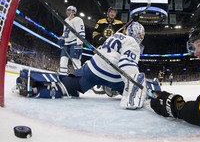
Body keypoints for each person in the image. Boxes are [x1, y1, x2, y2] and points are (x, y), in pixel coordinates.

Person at [15, 22, 161, 109]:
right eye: (141, 36)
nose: (140, 38)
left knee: (69, 84)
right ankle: (153, 88)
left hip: (92, 68)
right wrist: (134, 88)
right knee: (141, 89)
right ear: (137, 34)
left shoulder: (115, 35)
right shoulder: (133, 43)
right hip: (113, 76)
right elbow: (126, 65)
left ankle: (33, 83)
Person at [58, 6, 85, 74]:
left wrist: (79, 44)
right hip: (66, 43)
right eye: (68, 10)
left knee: (75, 60)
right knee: (63, 60)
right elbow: (65, 32)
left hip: (75, 42)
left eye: (71, 10)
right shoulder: (66, 20)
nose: (69, 11)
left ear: (74, 12)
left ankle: (79, 76)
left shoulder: (78, 19)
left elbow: (81, 32)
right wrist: (62, 38)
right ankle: (62, 75)